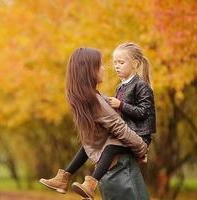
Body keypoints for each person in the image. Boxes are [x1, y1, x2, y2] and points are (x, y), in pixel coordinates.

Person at [39, 47, 148, 200]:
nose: (104, 68)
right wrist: (142, 148)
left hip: (108, 172)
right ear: (89, 71)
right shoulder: (95, 102)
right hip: (121, 170)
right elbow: (120, 128)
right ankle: (75, 180)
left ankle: (64, 177)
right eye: (100, 65)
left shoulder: (86, 99)